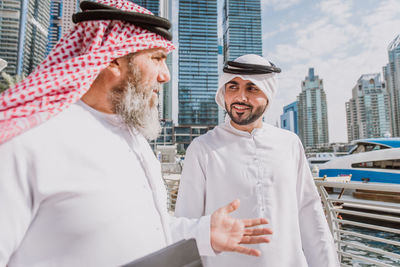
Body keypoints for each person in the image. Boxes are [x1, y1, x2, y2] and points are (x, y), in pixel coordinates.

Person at [0, 2, 272, 266]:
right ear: (115, 60)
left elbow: (149, 230)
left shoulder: (135, 141)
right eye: (157, 59)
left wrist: (204, 232)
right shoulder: (26, 141)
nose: (165, 75)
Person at [175, 54, 340, 267]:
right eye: (232, 87)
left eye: (252, 88)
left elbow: (310, 214)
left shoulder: (289, 143)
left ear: (268, 94)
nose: (240, 97)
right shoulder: (203, 148)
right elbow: (187, 225)